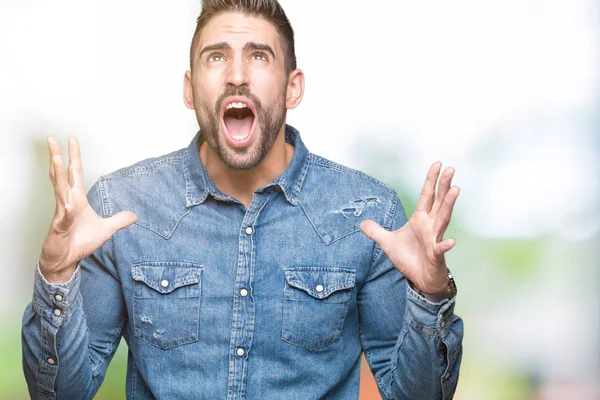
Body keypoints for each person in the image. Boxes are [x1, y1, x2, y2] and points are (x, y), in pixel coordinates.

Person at [22, 0, 463, 399]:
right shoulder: (119, 207)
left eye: (258, 55)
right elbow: (60, 394)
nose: (236, 74)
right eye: (217, 57)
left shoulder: (370, 215)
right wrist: (55, 275)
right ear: (190, 88)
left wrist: (429, 297)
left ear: (293, 88)